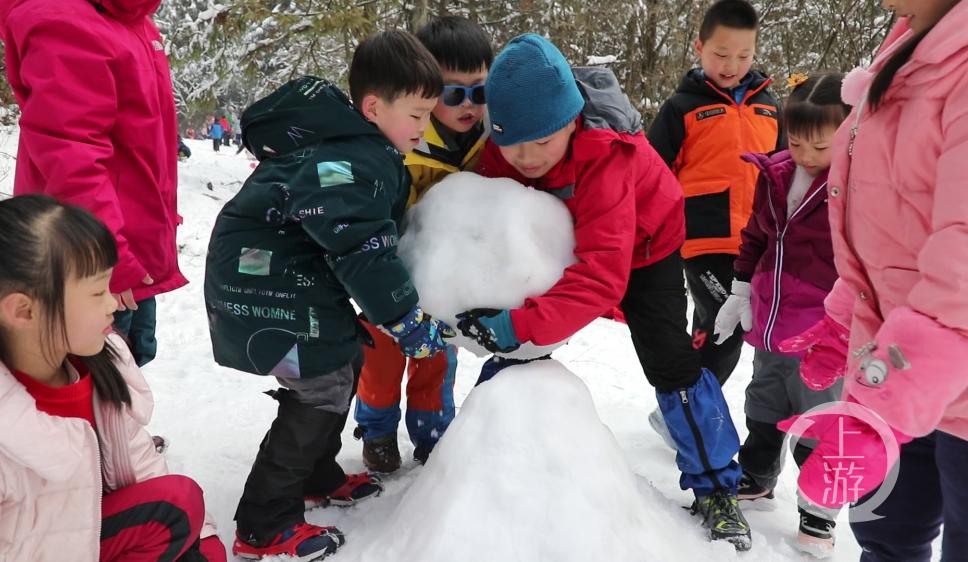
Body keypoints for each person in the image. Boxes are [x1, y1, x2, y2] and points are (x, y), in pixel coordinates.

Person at [465, 34, 752, 550]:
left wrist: (516, 325)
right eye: (512, 142)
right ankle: (495, 456)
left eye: (543, 141)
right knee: (522, 336)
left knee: (668, 361)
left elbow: (602, 276)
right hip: (570, 237)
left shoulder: (605, 156)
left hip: (645, 245)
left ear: (572, 120)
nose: (527, 157)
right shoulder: (499, 152)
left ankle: (716, 487)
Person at [204, 30, 452, 560]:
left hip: (293, 285)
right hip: (268, 287)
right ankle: (263, 524)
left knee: (338, 372)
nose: (424, 126)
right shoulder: (351, 163)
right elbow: (363, 249)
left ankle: (314, 474)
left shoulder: (355, 151)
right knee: (317, 392)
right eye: (415, 113)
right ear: (372, 106)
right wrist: (405, 319)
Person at [779, 2, 968, 560]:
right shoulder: (912, 42)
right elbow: (896, 229)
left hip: (933, 384)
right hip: (899, 367)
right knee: (887, 536)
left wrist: (881, 406)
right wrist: (845, 320)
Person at [0, 181, 225, 562]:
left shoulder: (97, 366)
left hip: (85, 537)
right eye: (97, 292)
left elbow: (141, 464)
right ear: (23, 310)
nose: (114, 304)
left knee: (184, 516)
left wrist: (200, 538)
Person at [0, 0, 189, 368]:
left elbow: (137, 144)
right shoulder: (64, 19)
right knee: (89, 381)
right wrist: (109, 257)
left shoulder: (131, 19)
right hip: (93, 260)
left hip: (132, 249)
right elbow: (72, 155)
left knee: (129, 370)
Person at [712, 72, 851, 555]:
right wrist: (740, 290)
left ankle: (818, 513)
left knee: (822, 421)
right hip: (770, 324)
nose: (807, 156)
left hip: (823, 334)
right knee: (764, 403)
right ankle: (757, 474)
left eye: (820, 147)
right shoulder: (775, 175)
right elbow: (755, 236)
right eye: (797, 142)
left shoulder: (855, 188)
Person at [353, 15, 492, 472]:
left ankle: (433, 432)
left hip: (445, 276)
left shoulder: (490, 138)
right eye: (454, 93)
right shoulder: (404, 139)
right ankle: (375, 429)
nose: (469, 104)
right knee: (382, 359)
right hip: (389, 273)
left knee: (438, 358)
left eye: (480, 90)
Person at [647, 0, 782, 396]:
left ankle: (684, 402)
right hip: (703, 239)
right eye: (721, 54)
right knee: (727, 323)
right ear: (699, 48)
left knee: (715, 326)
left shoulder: (770, 108)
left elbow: (785, 169)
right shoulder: (682, 107)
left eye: (744, 55)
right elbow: (654, 172)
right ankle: (690, 403)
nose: (732, 64)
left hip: (757, 240)